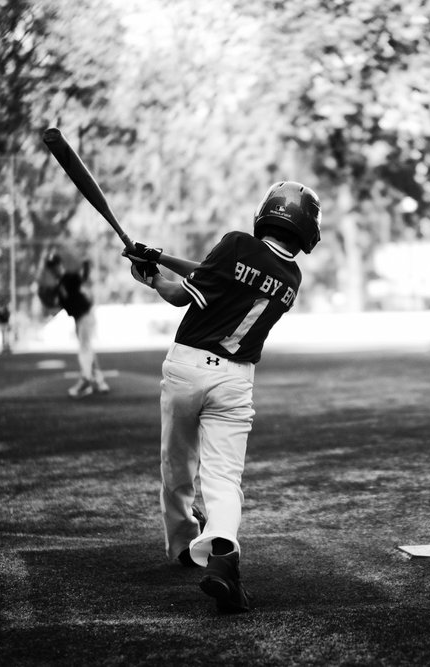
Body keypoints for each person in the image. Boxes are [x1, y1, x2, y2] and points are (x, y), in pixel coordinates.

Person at [124, 181, 321, 614]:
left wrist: (153, 276)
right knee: (223, 480)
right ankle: (223, 558)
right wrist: (158, 254)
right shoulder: (292, 278)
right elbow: (221, 272)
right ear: (307, 230)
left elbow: (182, 293)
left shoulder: (235, 244)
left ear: (265, 213)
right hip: (235, 381)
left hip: (187, 368)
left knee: (176, 462)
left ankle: (180, 545)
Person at [43, 253, 109, 399]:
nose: (54, 269)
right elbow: (60, 305)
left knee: (84, 349)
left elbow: (82, 277)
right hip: (79, 319)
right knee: (88, 349)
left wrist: (85, 265)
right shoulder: (59, 285)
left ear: (59, 265)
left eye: (55, 266)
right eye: (51, 267)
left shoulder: (68, 278)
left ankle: (86, 380)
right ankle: (99, 381)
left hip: (85, 315)